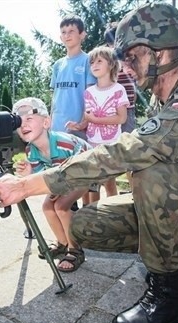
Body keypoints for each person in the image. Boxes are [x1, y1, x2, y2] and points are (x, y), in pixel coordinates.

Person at [0, 3, 178, 323]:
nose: (125, 66)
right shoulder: (166, 98)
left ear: (164, 52)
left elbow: (127, 152)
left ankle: (168, 298)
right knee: (84, 224)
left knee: (148, 168)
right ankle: (173, 256)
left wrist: (27, 187)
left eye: (133, 56)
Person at [12, 97, 91, 272]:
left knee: (61, 207)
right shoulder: (31, 151)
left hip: (86, 172)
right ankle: (62, 243)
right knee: (48, 207)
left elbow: (69, 176)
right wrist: (29, 174)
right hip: (63, 175)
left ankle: (75, 250)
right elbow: (44, 176)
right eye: (19, 121)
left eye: (29, 118)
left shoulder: (63, 144)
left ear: (46, 122)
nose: (23, 125)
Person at [66, 46, 129, 198]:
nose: (94, 65)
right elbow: (87, 120)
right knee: (93, 184)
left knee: (109, 183)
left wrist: (96, 119)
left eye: (99, 61)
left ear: (112, 64)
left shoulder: (118, 89)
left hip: (110, 145)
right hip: (92, 144)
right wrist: (78, 126)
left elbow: (122, 118)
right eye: (92, 62)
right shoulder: (89, 92)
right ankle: (93, 215)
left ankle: (112, 214)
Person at [50, 14, 97, 207]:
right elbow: (54, 97)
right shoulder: (58, 64)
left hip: (78, 127)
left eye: (71, 31)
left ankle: (86, 217)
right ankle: (68, 218)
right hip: (58, 126)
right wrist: (50, 122)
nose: (67, 35)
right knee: (61, 175)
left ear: (82, 34)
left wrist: (83, 122)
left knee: (81, 173)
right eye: (63, 32)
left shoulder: (88, 61)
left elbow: (90, 94)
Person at [104, 21, 137, 192]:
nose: (112, 47)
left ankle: (134, 193)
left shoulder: (129, 55)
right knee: (109, 156)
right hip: (110, 112)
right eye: (110, 43)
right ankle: (112, 197)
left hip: (127, 109)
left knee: (129, 155)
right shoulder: (107, 59)